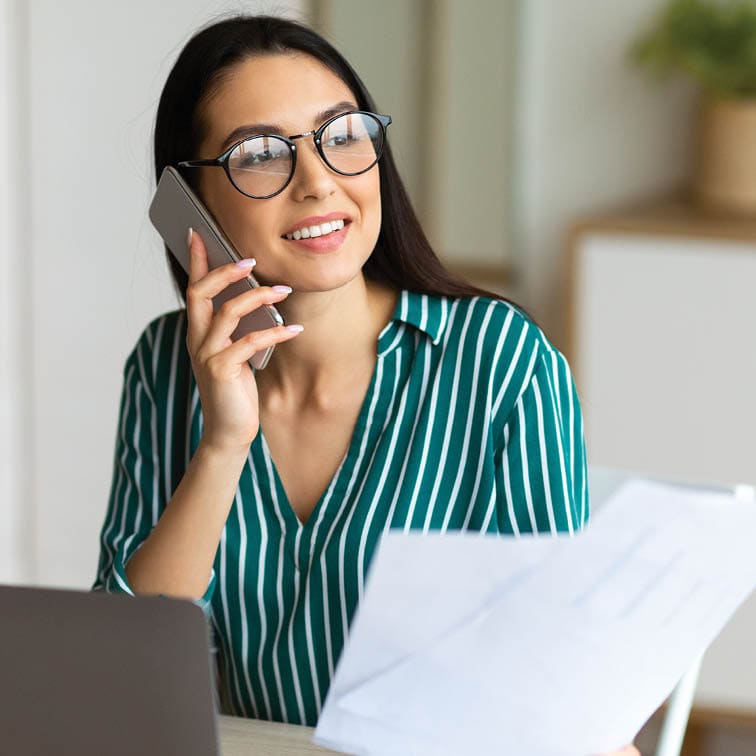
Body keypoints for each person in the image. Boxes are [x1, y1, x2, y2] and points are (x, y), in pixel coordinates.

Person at [92, 14, 638, 755]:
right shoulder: (164, 369)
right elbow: (119, 665)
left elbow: (555, 683)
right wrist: (224, 444)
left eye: (343, 134)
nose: (319, 184)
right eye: (260, 154)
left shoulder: (499, 362)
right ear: (190, 202)